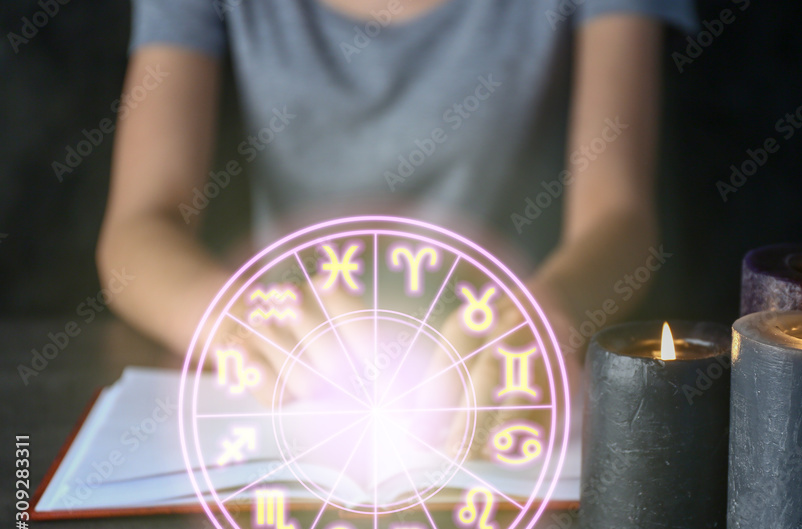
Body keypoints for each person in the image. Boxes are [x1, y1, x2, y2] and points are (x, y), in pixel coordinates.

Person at [96, 0, 697, 450]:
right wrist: (238, 322)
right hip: (290, 384)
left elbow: (620, 219)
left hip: (507, 381)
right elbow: (137, 231)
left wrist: (546, 316)